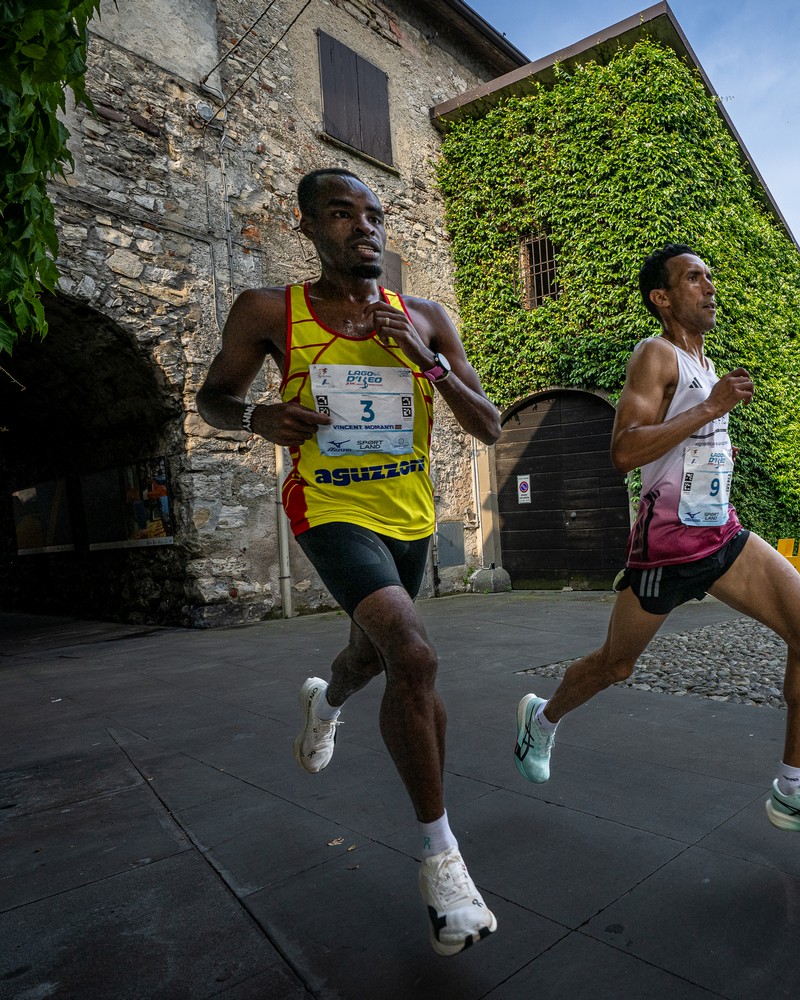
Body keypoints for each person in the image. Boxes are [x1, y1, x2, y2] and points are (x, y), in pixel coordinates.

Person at [196, 168, 504, 956]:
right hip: (328, 508)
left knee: (370, 657)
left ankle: (326, 701)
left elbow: (490, 425)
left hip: (409, 516)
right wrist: (258, 415)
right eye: (341, 213)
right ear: (306, 226)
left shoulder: (425, 318)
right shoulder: (270, 311)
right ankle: (443, 864)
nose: (364, 226)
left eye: (373, 214)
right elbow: (213, 398)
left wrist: (427, 362)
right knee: (413, 654)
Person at [512, 244, 800, 850]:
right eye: (694, 278)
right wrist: (711, 408)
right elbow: (624, 451)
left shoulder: (705, 364)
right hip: (666, 551)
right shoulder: (656, 355)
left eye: (710, 276)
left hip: (721, 535)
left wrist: (714, 428)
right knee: (615, 665)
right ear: (663, 297)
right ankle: (541, 720)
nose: (709, 286)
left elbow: (690, 443)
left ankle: (793, 788)